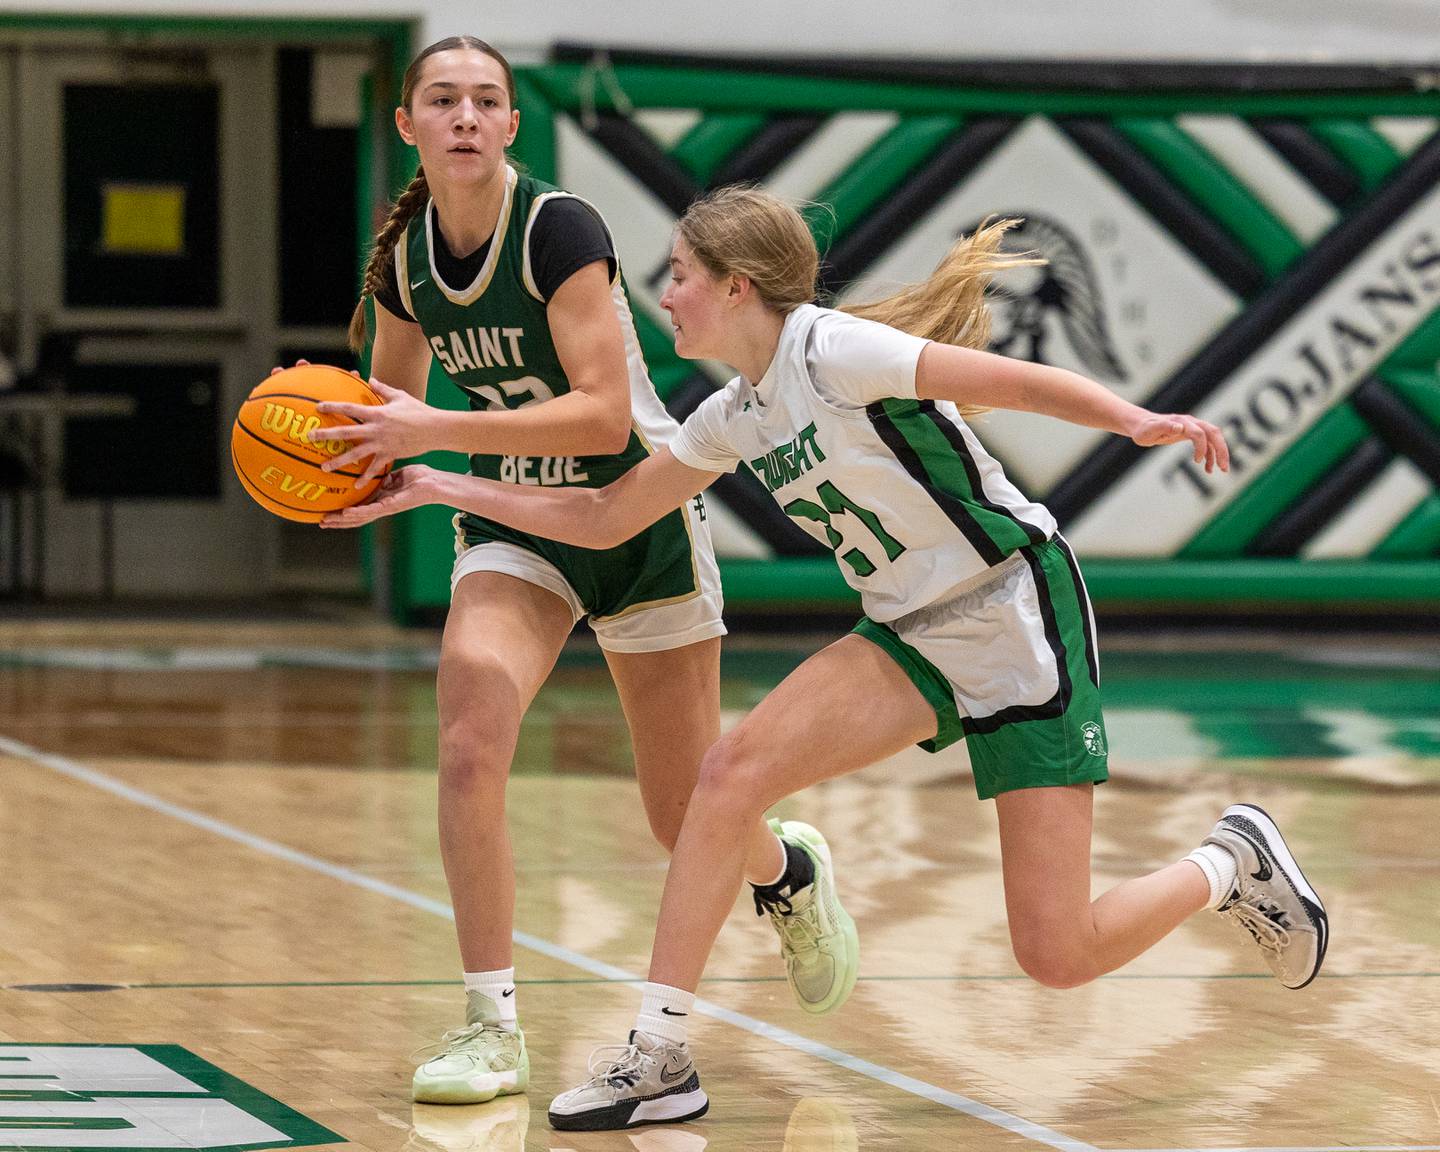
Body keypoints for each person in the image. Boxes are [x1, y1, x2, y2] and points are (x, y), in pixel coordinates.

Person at [320, 185, 1329, 1133]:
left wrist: (1135, 418)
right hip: (906, 629)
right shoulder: (734, 413)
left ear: (735, 287)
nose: (661, 294)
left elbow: (1005, 382)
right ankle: (659, 1058)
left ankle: (1229, 860)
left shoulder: (836, 351)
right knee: (727, 778)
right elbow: (600, 513)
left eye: (678, 274)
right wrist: (438, 486)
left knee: (1056, 953)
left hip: (1015, 613)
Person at [318, 43, 859, 1106]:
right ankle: (491, 1028)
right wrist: (337, 468)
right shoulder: (405, 263)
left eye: (486, 101)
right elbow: (391, 420)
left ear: (513, 125)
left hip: (637, 514)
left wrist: (435, 428)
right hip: (517, 523)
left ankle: (785, 873)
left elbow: (604, 414)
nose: (466, 116)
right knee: (470, 739)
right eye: (444, 101)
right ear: (409, 126)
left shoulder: (559, 229)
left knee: (679, 813)